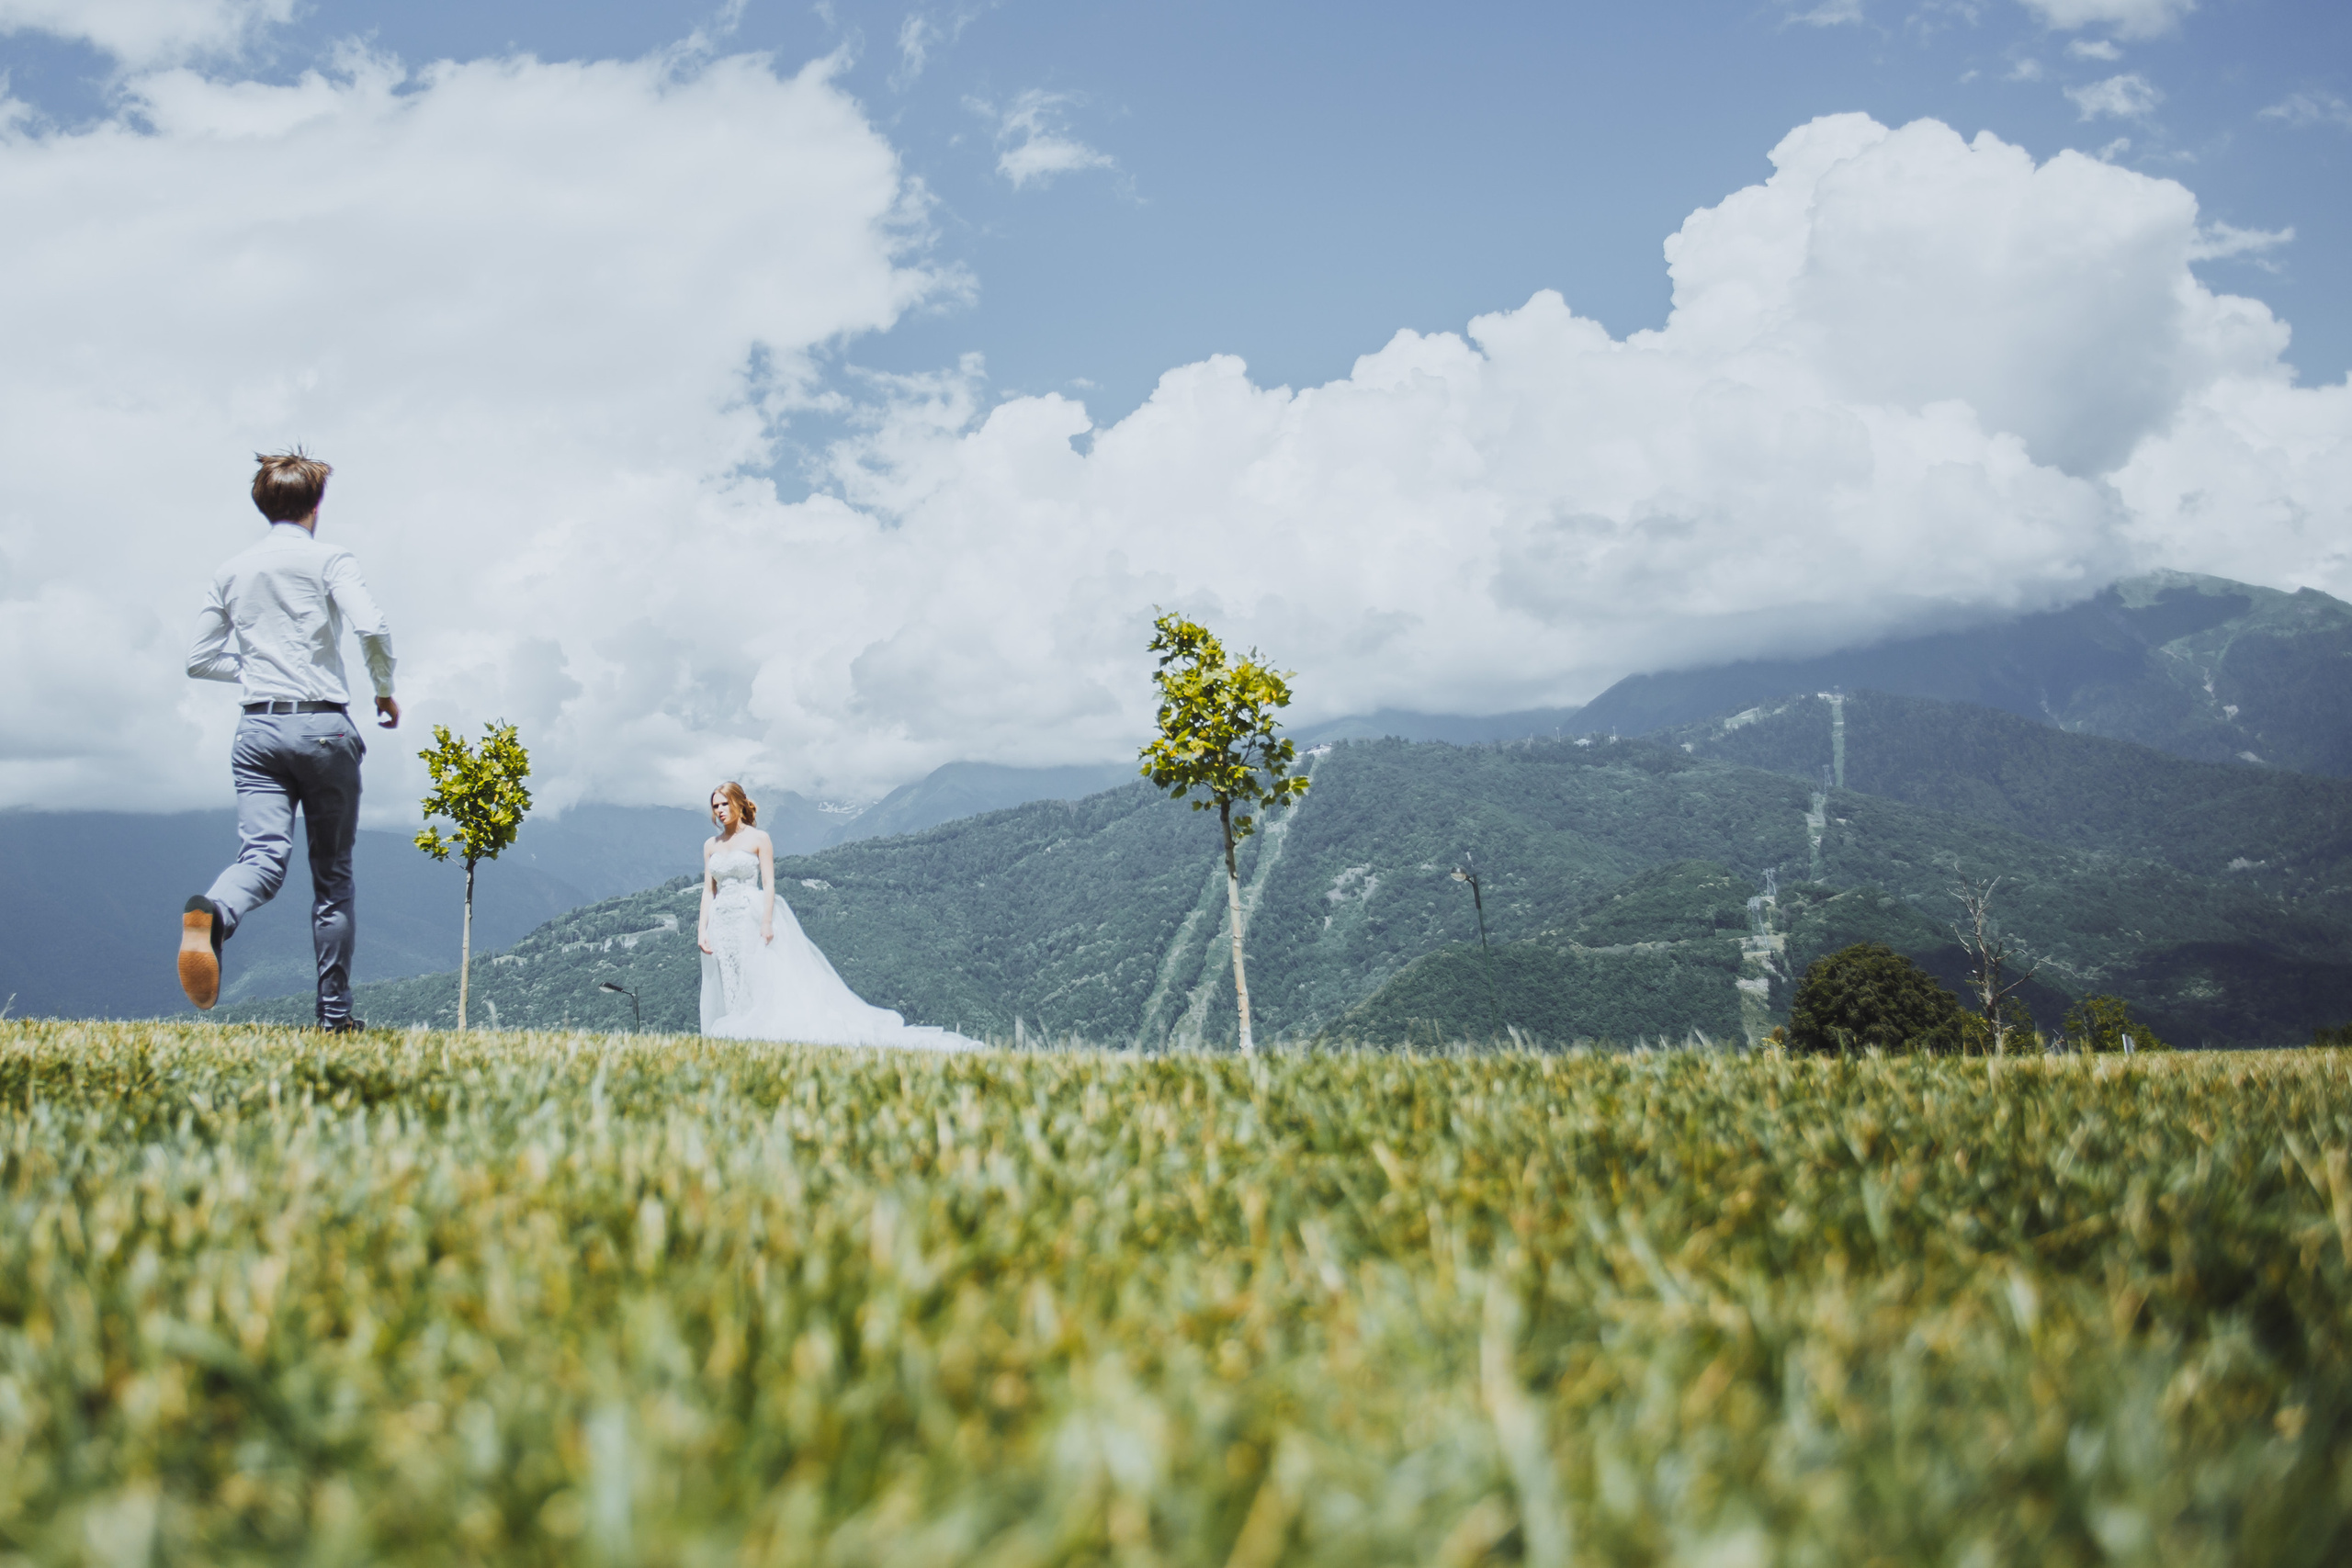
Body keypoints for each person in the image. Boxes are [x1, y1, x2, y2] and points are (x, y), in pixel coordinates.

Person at [178, 451, 399, 1028]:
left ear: (263, 506)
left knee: (262, 857)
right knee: (333, 878)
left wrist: (256, 669)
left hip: (257, 731)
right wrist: (383, 690)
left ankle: (216, 911)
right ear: (316, 506)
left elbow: (199, 659)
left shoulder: (231, 571)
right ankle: (334, 1017)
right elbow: (371, 625)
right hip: (323, 728)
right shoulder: (330, 559)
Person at [697, 781, 972, 1049]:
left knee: (755, 975)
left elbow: (769, 884)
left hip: (750, 914)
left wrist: (767, 922)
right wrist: (702, 930)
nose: (720, 810)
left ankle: (754, 1032)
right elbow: (709, 891)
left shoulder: (759, 838)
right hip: (721, 921)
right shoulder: (711, 845)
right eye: (716, 806)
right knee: (728, 976)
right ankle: (734, 1035)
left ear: (738, 803)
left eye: (724, 804)